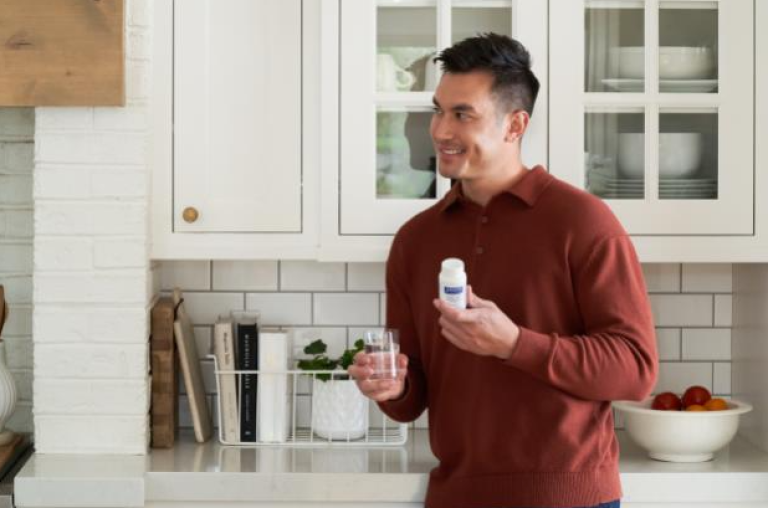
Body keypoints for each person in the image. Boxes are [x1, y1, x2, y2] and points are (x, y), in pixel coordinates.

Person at [348, 33, 658, 508]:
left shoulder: (583, 222)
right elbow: (412, 399)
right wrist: (391, 386)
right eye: (438, 110)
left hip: (568, 499)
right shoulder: (416, 240)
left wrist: (515, 344)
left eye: (462, 114)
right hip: (457, 496)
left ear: (515, 125)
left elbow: (634, 370)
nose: (440, 130)